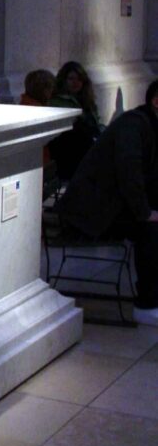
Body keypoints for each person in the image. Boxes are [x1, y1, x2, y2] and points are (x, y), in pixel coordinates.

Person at [59, 79, 158, 325]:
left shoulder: (149, 126)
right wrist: (145, 213)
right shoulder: (134, 125)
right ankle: (147, 304)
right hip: (91, 212)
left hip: (113, 206)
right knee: (151, 229)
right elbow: (129, 173)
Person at [48, 61, 103, 180]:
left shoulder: (87, 101)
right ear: (64, 80)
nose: (75, 83)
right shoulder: (57, 102)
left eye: (79, 79)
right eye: (71, 79)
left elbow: (96, 124)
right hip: (69, 150)